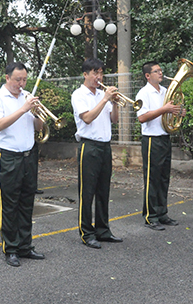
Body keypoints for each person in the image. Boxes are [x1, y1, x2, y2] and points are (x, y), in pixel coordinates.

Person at [0, 61, 46, 267]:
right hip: (7, 156)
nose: (21, 84)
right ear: (7, 78)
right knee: (9, 204)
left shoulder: (27, 96)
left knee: (27, 202)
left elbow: (38, 127)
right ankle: (10, 249)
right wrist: (23, 109)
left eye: (24, 80)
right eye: (17, 80)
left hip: (29, 155)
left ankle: (25, 246)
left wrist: (37, 114)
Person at [72, 59, 123, 249]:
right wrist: (105, 99)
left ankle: (103, 230)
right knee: (87, 191)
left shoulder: (103, 94)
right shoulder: (79, 95)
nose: (99, 77)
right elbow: (87, 118)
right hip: (89, 146)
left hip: (105, 146)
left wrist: (115, 104)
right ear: (85, 74)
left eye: (101, 73)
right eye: (95, 73)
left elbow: (114, 120)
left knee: (103, 190)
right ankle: (87, 233)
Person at [135, 62, 185, 231]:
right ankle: (150, 216)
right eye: (156, 71)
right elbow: (142, 117)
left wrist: (178, 111)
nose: (161, 73)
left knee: (164, 178)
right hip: (151, 140)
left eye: (160, 70)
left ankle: (162, 213)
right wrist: (164, 109)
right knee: (152, 179)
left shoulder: (165, 91)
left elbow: (171, 110)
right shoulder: (143, 93)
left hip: (164, 138)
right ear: (148, 76)